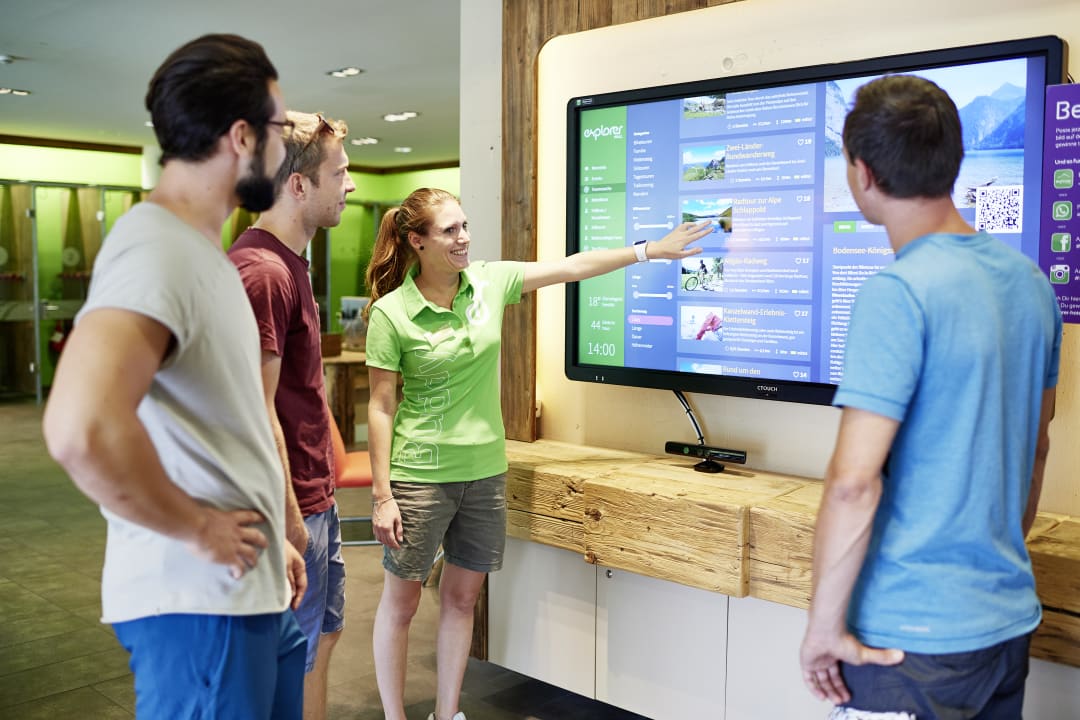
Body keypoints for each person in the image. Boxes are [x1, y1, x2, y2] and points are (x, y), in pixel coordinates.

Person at [363, 188, 711, 720]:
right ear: (417, 241)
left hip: (484, 472)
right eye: (450, 230)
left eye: (465, 225)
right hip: (419, 477)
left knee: (462, 600)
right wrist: (382, 495)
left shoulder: (489, 281)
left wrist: (649, 250)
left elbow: (571, 267)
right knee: (403, 604)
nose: (464, 238)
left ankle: (447, 714)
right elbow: (381, 407)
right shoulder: (392, 313)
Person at [41, 34, 309, 719]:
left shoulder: (202, 253)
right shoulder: (155, 248)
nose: (283, 147)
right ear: (242, 136)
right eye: (279, 127)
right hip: (198, 603)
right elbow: (79, 427)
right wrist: (196, 528)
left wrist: (272, 538)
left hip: (246, 592)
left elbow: (218, 424)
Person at [799, 75, 1061, 719]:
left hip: (907, 640)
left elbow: (853, 483)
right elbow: (1037, 446)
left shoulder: (897, 293)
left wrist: (823, 629)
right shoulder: (1031, 284)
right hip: (1003, 625)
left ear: (862, 173)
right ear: (953, 160)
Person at [228, 110, 356, 720]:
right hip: (289, 508)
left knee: (320, 640)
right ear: (299, 185)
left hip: (314, 497)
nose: (350, 185)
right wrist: (286, 520)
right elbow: (252, 411)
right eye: (340, 172)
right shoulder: (263, 272)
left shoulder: (289, 263)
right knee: (282, 661)